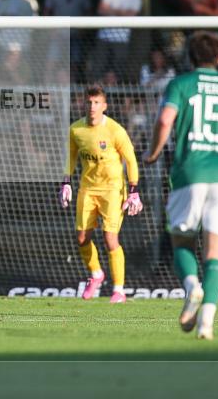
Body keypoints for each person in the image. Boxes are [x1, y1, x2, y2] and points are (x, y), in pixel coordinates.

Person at [143, 31, 218, 340]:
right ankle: (207, 322)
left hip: (190, 173)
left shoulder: (180, 84)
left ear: (190, 57)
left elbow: (164, 121)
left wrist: (154, 152)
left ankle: (191, 287)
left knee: (181, 242)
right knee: (216, 254)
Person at [59, 86, 141, 304]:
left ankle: (119, 290)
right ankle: (96, 274)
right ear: (83, 104)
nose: (92, 107)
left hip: (113, 189)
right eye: (89, 102)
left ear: (104, 106)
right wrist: (66, 182)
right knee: (82, 237)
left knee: (109, 237)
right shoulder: (76, 130)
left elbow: (131, 160)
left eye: (97, 103)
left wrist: (133, 191)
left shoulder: (115, 131)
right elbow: (70, 157)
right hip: (87, 188)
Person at [91, 0, 142, 75]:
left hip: (121, 40)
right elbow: (101, 9)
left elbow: (131, 15)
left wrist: (111, 9)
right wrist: (122, 11)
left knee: (117, 72)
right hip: (103, 38)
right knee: (97, 71)